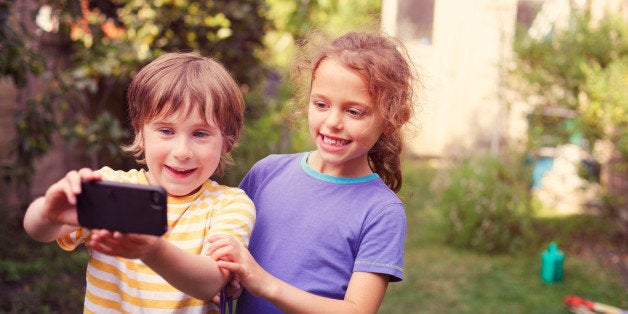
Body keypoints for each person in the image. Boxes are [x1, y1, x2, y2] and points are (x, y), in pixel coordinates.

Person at [23, 52, 256, 313]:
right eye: (166, 131)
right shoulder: (110, 187)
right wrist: (49, 212)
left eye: (200, 134)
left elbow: (211, 282)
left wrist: (151, 250)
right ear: (140, 132)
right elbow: (37, 230)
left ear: (227, 141)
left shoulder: (229, 204)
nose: (182, 151)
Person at [208, 30, 417, 313]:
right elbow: (226, 245)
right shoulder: (267, 173)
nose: (333, 122)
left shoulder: (381, 211)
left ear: (393, 119)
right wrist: (225, 277)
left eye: (354, 112)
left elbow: (357, 310)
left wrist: (262, 282)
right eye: (321, 104)